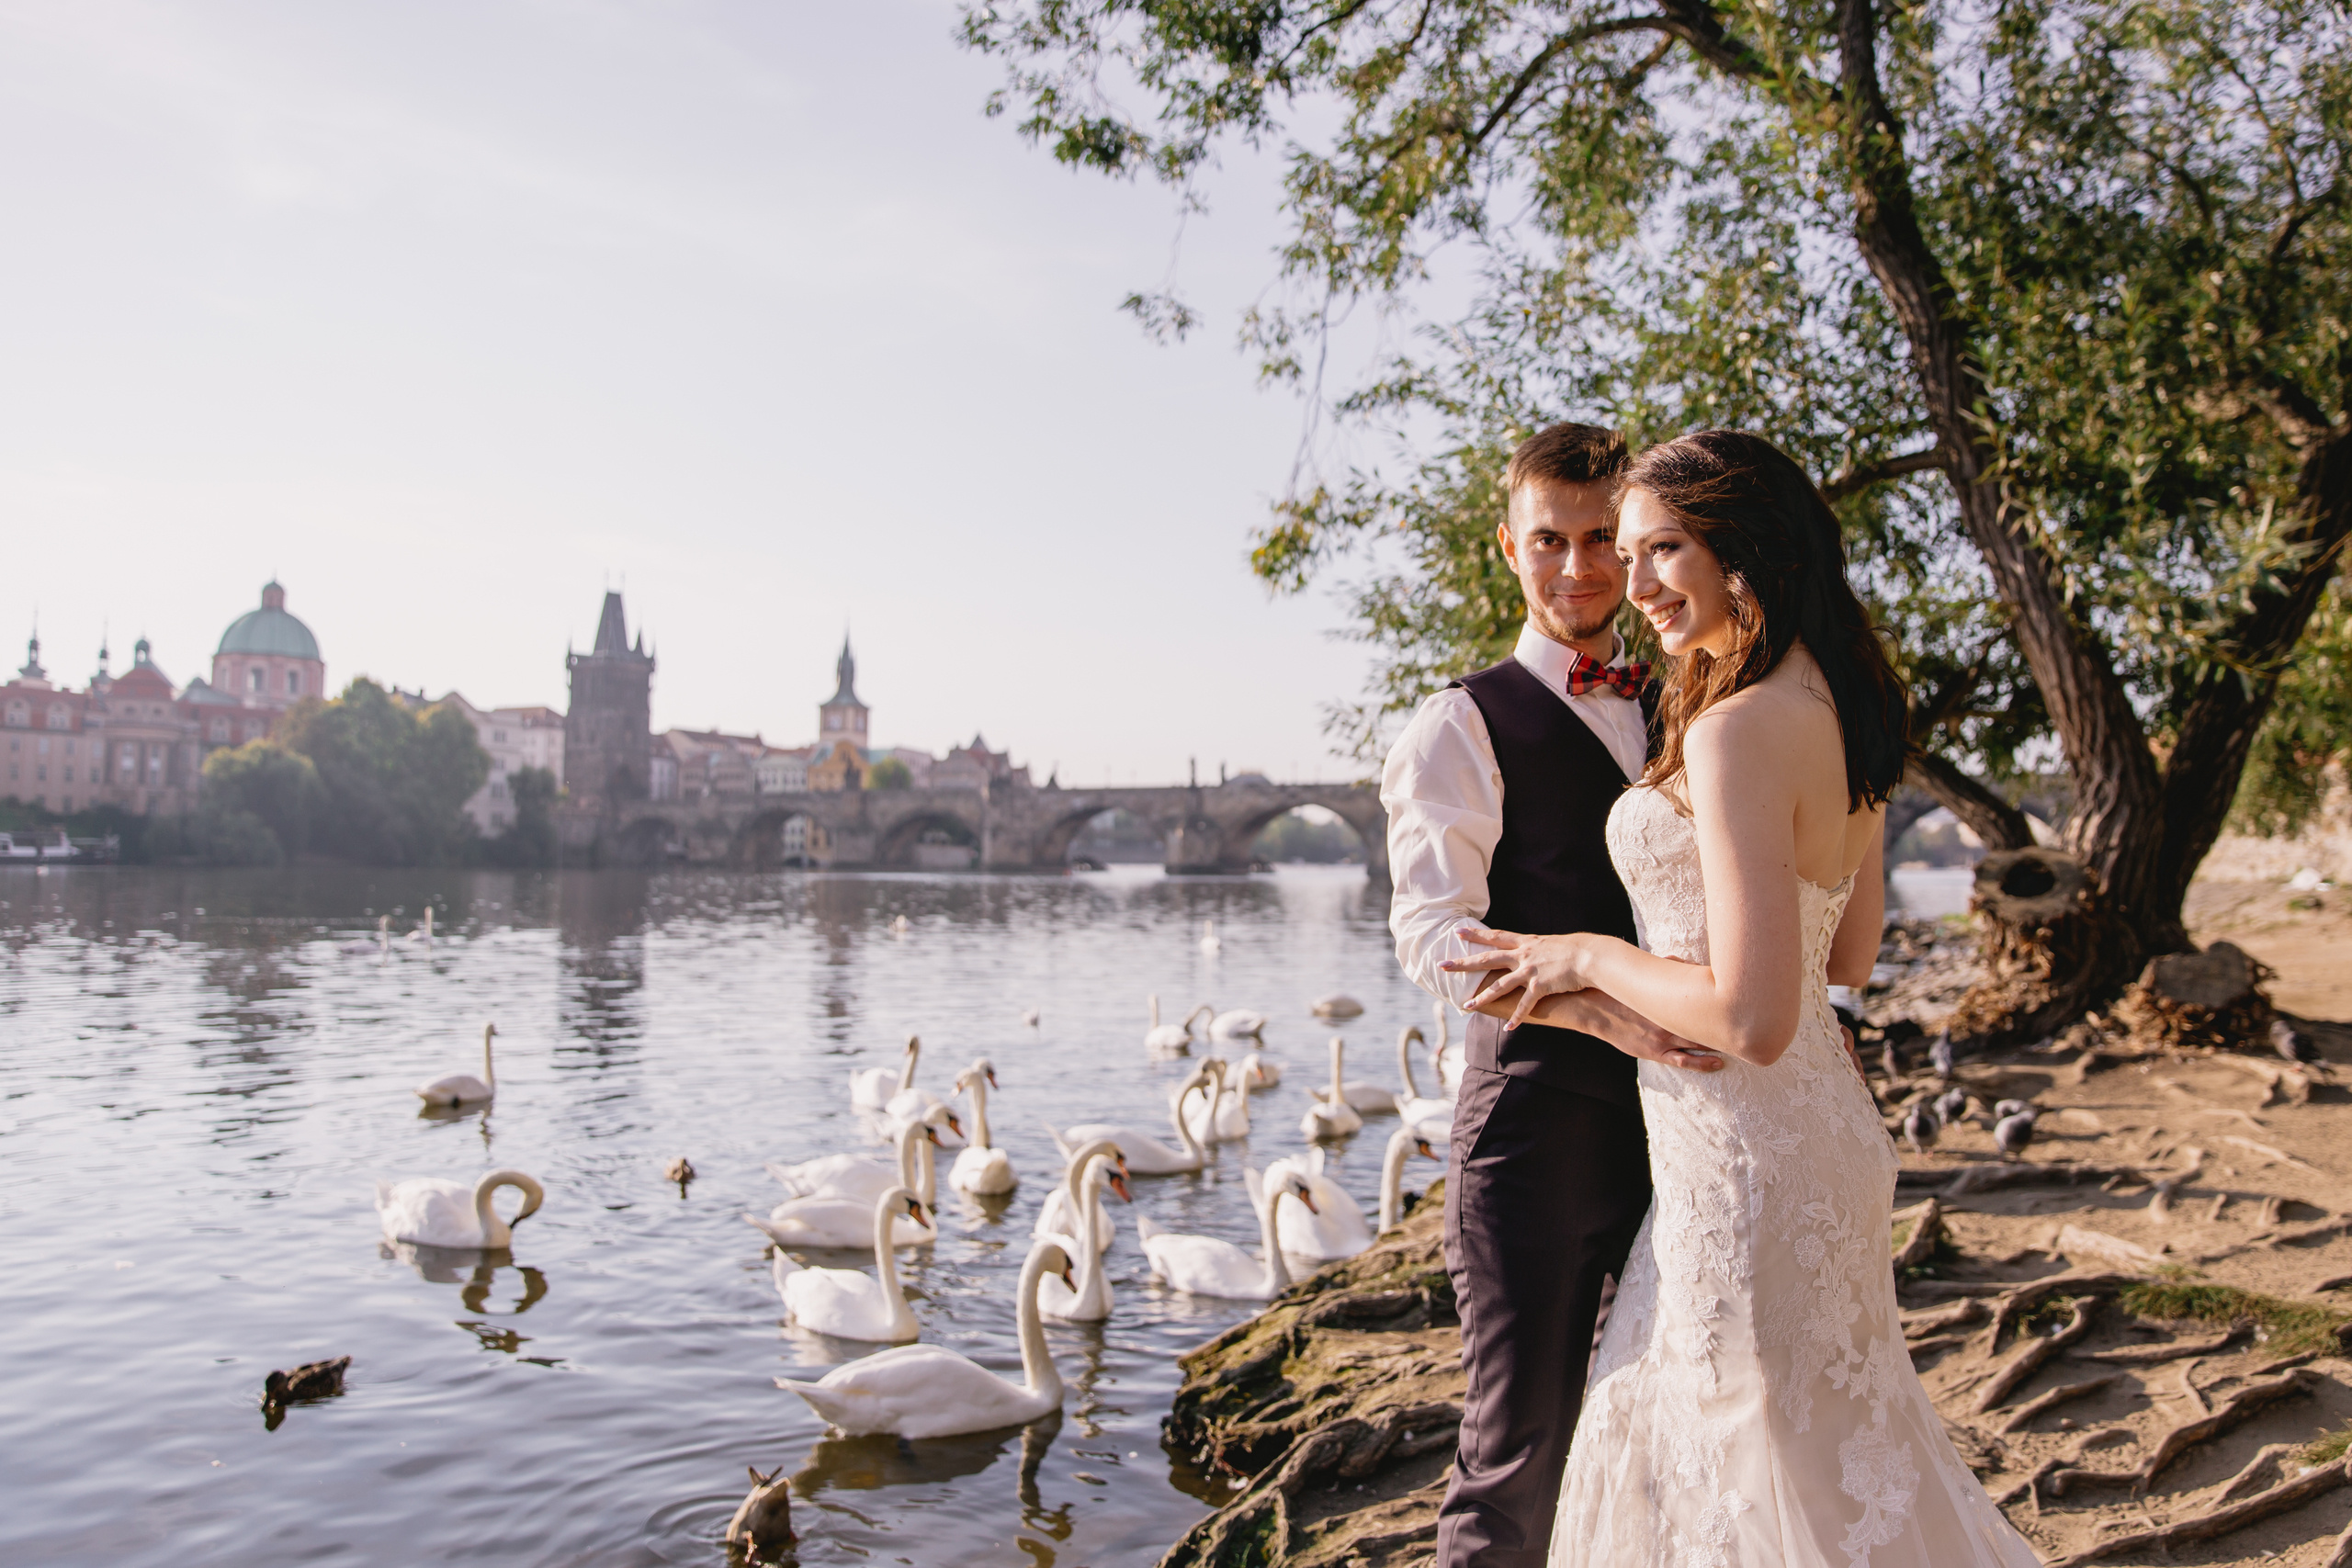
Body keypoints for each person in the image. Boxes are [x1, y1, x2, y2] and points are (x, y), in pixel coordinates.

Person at [1446, 430, 2040, 1566]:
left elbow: (1754, 1020)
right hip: (1811, 1143)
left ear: (1744, 546)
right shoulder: (1848, 704)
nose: (1633, 582)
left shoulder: (1729, 729)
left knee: (1738, 1480)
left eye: (1661, 548)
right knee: (1825, 1470)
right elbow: (1846, 955)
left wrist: (1585, 957)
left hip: (1743, 1162)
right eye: (1630, 553)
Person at [1380, 421, 1722, 1568]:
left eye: (1598, 539)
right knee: (1517, 1464)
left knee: (1669, 1430)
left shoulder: (1688, 702)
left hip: (1691, 1124)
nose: (1576, 568)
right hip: (1534, 1135)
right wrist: (1595, 1006)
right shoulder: (1460, 722)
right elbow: (1432, 933)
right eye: (1547, 540)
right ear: (1506, 546)